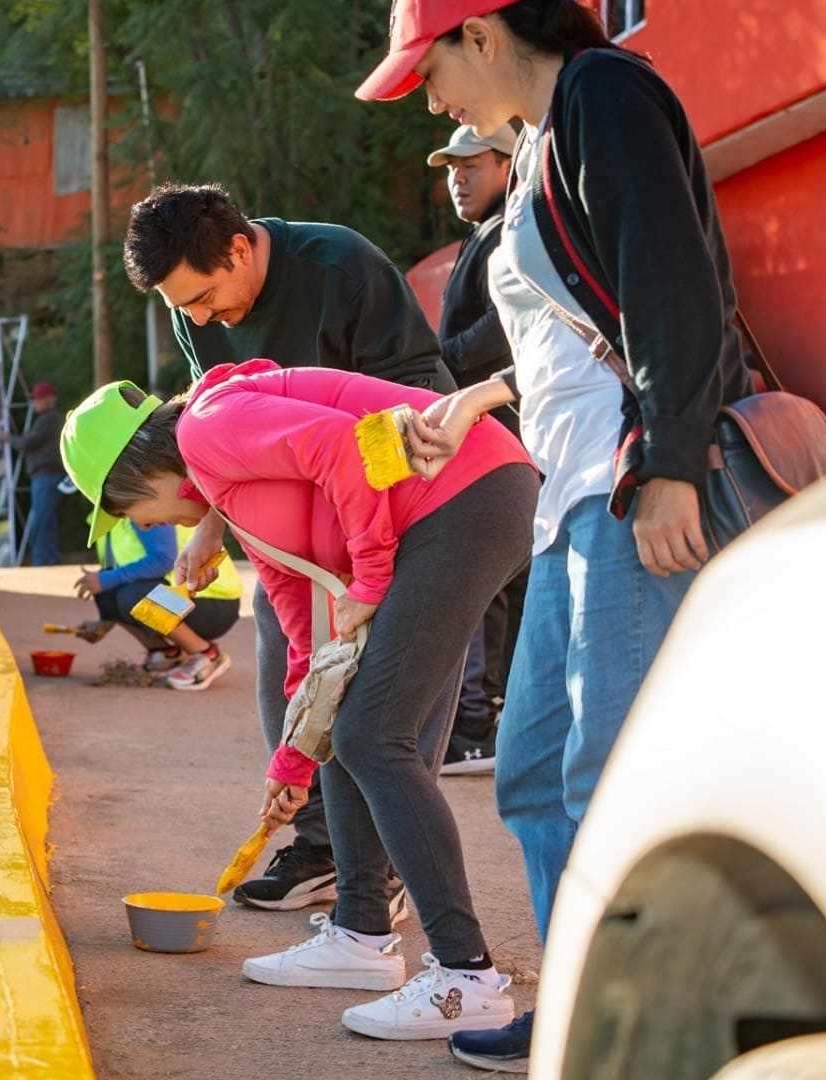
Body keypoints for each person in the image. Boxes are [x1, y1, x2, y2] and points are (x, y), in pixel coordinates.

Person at [358, 0, 758, 1068]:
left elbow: (672, 282)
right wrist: (479, 399)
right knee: (533, 770)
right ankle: (593, 998)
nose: (429, 98)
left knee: (606, 774)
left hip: (630, 488)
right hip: (568, 496)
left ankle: (648, 1024)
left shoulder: (603, 93)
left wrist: (669, 464)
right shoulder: (537, 142)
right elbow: (567, 331)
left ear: (481, 33)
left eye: (429, 70)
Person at [61, 363, 537, 1040]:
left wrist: (371, 577)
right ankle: (360, 935)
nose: (149, 522)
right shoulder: (240, 498)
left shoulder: (208, 427)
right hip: (451, 508)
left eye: (132, 512)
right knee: (347, 724)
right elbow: (310, 644)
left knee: (375, 738)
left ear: (137, 479)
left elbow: (342, 444)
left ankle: (466, 977)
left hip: (465, 493)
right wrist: (292, 761)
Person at [122, 182, 456, 911]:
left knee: (396, 673)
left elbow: (403, 405)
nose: (205, 319)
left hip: (414, 481)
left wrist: (366, 565)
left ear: (240, 248)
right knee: (283, 638)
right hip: (314, 506)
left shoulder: (339, 265)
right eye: (188, 312)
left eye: (207, 299)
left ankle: (388, 863)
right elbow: (218, 414)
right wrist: (212, 525)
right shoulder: (200, 311)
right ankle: (318, 842)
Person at [429, 122, 525, 777]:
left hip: (498, 427)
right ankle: (490, 722)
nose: (457, 176)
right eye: (450, 168)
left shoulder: (507, 231)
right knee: (504, 583)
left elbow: (505, 323)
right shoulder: (488, 234)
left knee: (488, 580)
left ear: (506, 162)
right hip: (494, 426)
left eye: (471, 164)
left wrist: (442, 364)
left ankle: (474, 728)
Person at [76, 517, 243, 691]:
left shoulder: (139, 502)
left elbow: (163, 559)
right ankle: (166, 654)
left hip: (212, 601)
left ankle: (208, 654)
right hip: (181, 597)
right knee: (108, 589)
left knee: (129, 593)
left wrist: (105, 580)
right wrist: (106, 620)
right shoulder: (109, 513)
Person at [14, 382, 67, 566]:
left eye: (38, 398)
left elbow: (29, 443)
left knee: (42, 522)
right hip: (47, 477)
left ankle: (44, 562)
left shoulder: (50, 419)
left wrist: (11, 439)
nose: (35, 402)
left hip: (46, 476)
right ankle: (48, 560)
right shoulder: (51, 419)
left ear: (49, 399)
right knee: (45, 521)